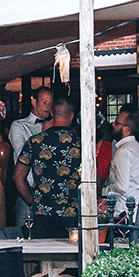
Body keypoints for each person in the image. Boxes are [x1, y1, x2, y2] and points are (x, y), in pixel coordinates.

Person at [15, 93, 82, 239]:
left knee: (42, 255)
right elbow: (93, 179)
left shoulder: (35, 141)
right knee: (70, 257)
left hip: (41, 214)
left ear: (52, 113)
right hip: (71, 214)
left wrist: (33, 202)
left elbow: (18, 177)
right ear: (71, 116)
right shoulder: (80, 144)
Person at [6, 88, 53, 229]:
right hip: (28, 189)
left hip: (50, 191)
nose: (48, 107)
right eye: (44, 102)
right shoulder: (19, 126)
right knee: (24, 233)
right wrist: (43, 135)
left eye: (50, 103)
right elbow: (22, 155)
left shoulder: (54, 127)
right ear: (34, 102)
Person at [105, 109, 139, 220]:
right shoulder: (137, 147)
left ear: (126, 129)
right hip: (136, 210)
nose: (113, 125)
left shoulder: (124, 152)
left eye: (117, 123)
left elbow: (121, 186)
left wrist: (104, 191)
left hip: (124, 212)